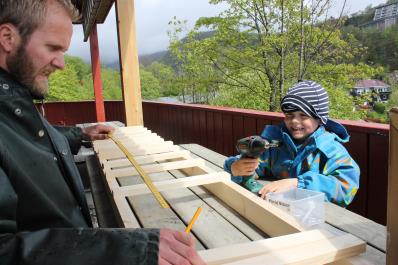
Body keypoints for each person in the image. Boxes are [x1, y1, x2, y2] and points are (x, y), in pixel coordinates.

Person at [0, 1, 205, 264]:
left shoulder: (15, 100)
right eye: (52, 48)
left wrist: (81, 134)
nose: (61, 63)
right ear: (7, 38)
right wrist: (130, 249)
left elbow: (29, 140)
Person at [224, 80, 360, 207]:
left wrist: (297, 184)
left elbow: (346, 188)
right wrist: (236, 168)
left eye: (303, 115)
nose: (294, 121)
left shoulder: (331, 150)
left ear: (320, 119)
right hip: (278, 209)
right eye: (289, 115)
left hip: (317, 219)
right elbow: (256, 167)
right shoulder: (273, 144)